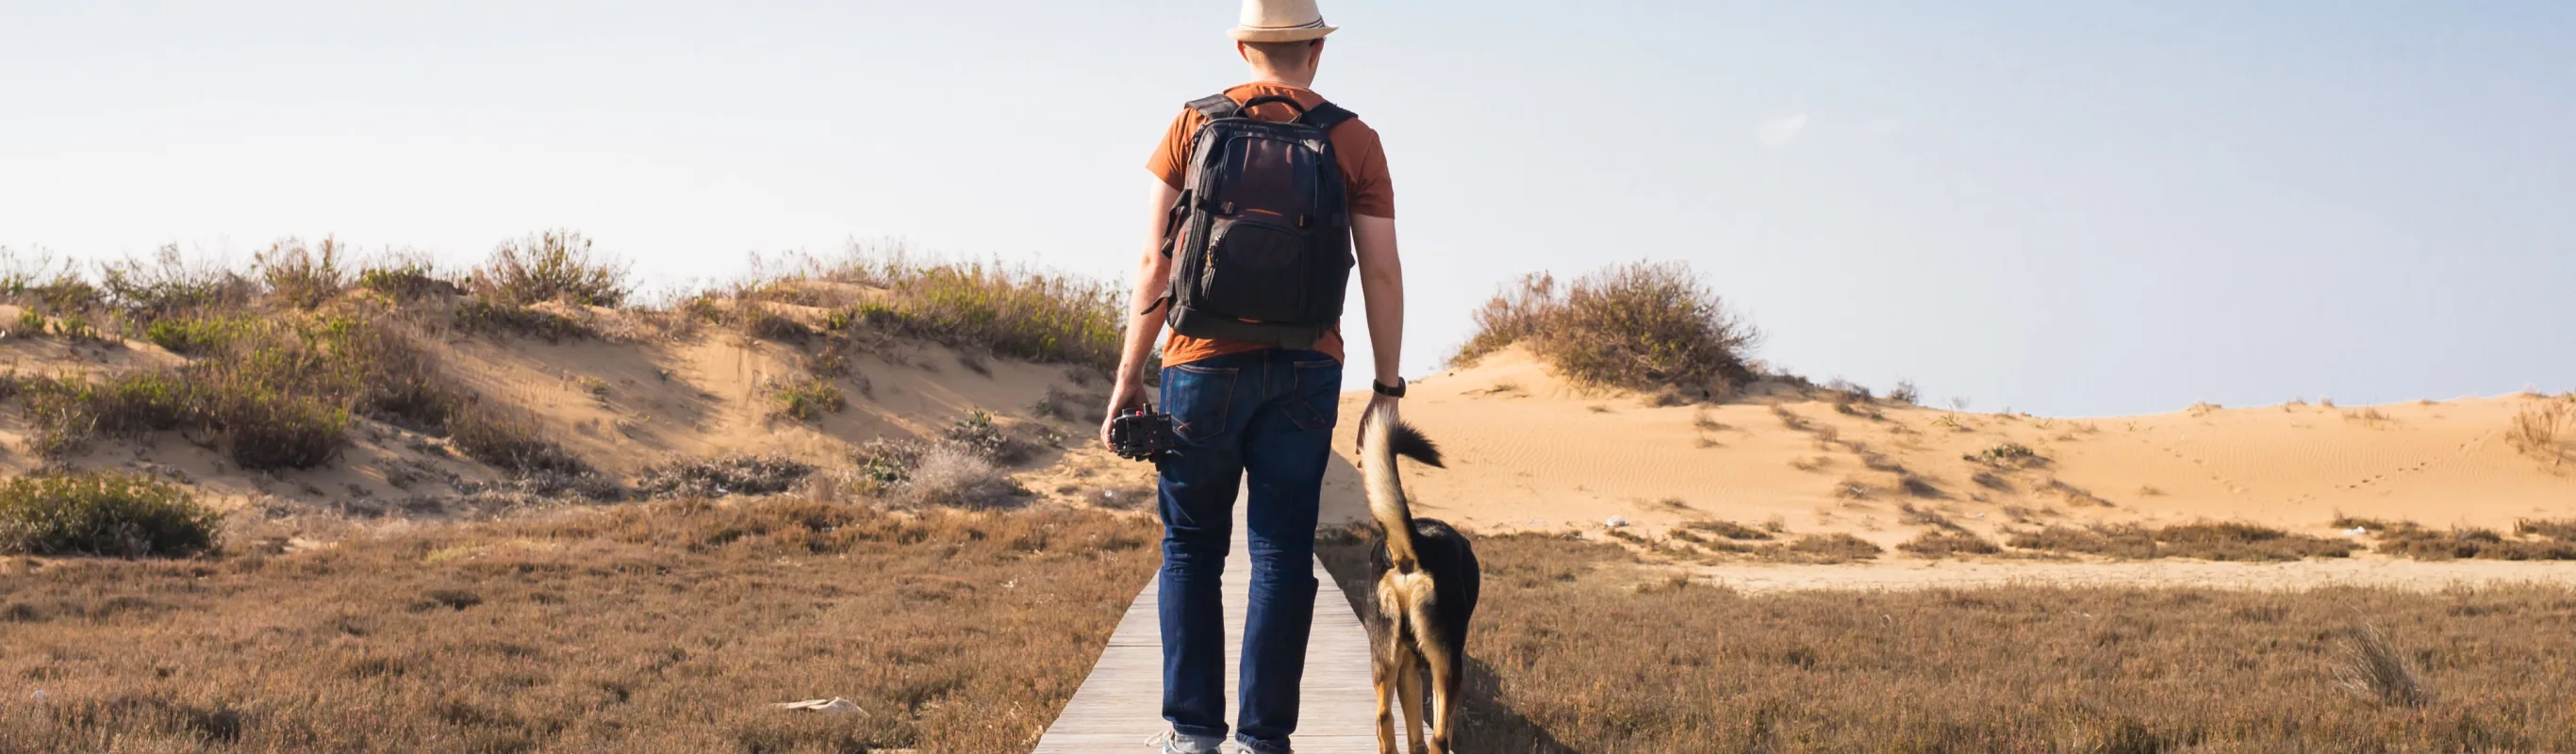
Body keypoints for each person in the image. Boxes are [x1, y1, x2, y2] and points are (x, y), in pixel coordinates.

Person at [1100, 1, 1407, 751]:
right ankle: (1265, 740)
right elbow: (1384, 273)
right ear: (1317, 53)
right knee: (1279, 552)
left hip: (1199, 363)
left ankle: (1192, 736)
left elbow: (1155, 264)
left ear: (1243, 47)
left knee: (1192, 551)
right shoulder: (1354, 139)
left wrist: (1129, 378)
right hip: (1307, 367)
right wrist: (1388, 389)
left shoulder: (1192, 125)